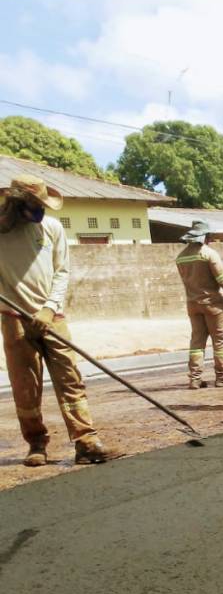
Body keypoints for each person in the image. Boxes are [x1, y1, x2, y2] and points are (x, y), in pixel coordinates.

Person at [0, 174, 120, 466]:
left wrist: (48, 309)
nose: (38, 209)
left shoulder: (51, 228)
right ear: (17, 203)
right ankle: (36, 444)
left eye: (41, 203)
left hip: (52, 317)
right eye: (32, 203)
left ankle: (85, 441)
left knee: (70, 379)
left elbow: (61, 272)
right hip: (14, 318)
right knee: (25, 385)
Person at [175, 219, 223, 389]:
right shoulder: (208, 254)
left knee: (197, 341)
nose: (210, 240)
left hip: (193, 304)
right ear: (205, 237)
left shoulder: (181, 257)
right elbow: (222, 280)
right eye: (210, 236)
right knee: (220, 341)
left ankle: (195, 379)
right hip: (213, 305)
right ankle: (222, 378)